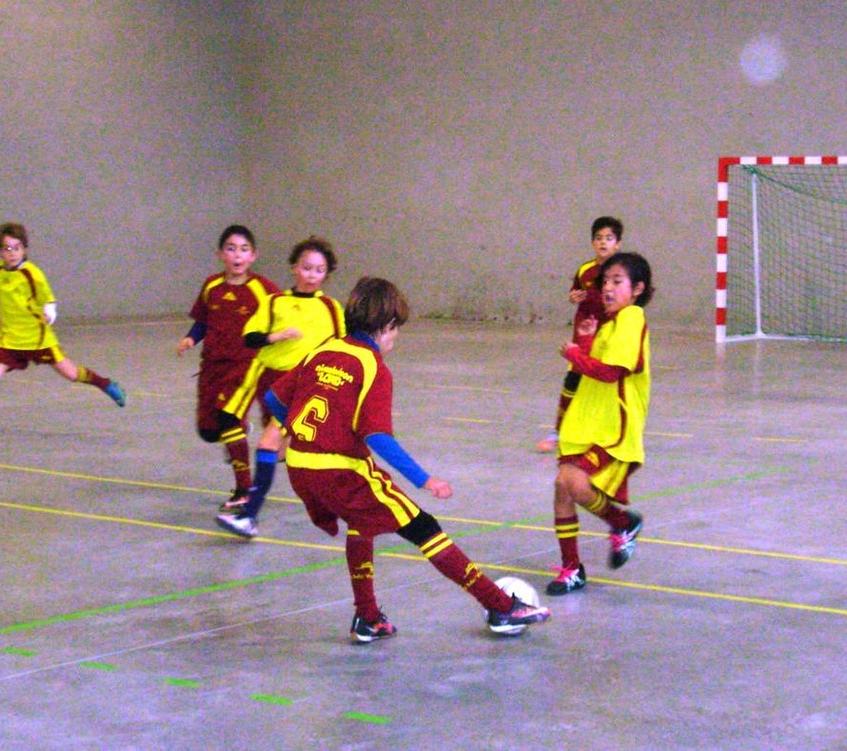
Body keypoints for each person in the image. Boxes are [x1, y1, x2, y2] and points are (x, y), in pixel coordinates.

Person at [218, 276, 551, 641]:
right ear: (386, 327)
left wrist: (304, 433)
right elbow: (377, 437)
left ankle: (368, 618)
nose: (396, 338)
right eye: (396, 330)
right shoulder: (372, 366)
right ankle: (500, 606)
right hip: (341, 471)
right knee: (424, 528)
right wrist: (425, 480)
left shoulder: (323, 351)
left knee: (362, 524)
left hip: (301, 467)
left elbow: (275, 401)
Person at [213, 236, 345, 528]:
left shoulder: (332, 308)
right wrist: (277, 336)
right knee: (284, 447)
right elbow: (250, 338)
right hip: (270, 381)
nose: (311, 275)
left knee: (269, 441)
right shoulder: (274, 303)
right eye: (306, 268)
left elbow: (343, 349)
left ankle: (249, 515)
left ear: (326, 274)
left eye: (319, 270)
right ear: (294, 268)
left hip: (304, 385)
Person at [0, 222, 125, 444]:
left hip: (37, 339)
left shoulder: (33, 274)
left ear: (24, 249)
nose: (11, 253)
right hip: (8, 339)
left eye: (16, 247)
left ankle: (106, 384)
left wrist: (49, 315)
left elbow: (49, 300)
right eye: (6, 248)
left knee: (71, 374)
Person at [545, 251, 653, 596]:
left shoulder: (633, 318)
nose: (607, 288)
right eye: (605, 281)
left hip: (611, 428)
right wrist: (589, 342)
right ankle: (572, 569)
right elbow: (592, 367)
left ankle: (623, 522)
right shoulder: (609, 324)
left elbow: (611, 372)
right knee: (562, 489)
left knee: (572, 482)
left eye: (617, 281)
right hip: (583, 423)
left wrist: (576, 353)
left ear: (637, 289)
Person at [176, 225, 281, 511]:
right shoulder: (212, 286)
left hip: (246, 366)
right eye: (232, 248)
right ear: (221, 254)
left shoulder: (263, 289)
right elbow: (203, 322)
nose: (238, 255)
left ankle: (244, 490)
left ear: (253, 256)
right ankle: (238, 429)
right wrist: (190, 338)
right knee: (209, 431)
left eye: (244, 249)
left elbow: (282, 315)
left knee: (227, 419)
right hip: (212, 366)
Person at [535, 216, 624, 453]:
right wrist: (572, 297)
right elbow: (575, 292)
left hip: (609, 338)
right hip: (584, 336)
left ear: (618, 244)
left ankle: (608, 434)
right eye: (598, 238)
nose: (603, 243)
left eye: (609, 238)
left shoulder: (622, 273)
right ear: (592, 242)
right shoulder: (585, 269)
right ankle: (558, 432)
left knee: (607, 384)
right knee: (572, 382)